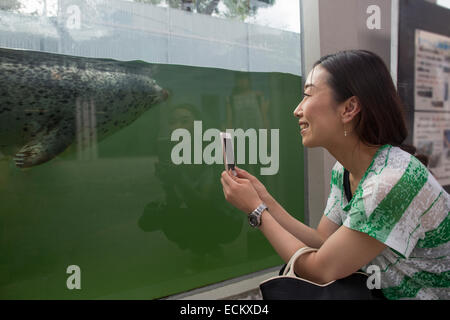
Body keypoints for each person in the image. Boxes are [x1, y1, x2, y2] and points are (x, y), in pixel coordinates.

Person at [220, 50, 450, 300]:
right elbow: (322, 241)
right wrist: (264, 200)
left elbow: (321, 270)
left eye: (307, 95)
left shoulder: (391, 182)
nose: (297, 110)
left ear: (349, 108)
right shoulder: (343, 170)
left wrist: (256, 211)